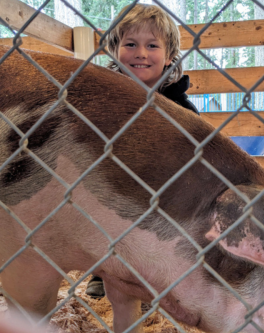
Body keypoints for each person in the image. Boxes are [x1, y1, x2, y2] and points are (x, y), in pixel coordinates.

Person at [85, 3, 199, 298]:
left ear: (170, 56)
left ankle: (157, 278)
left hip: (163, 191)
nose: (141, 53)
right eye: (131, 44)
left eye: (152, 45)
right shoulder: (102, 98)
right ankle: (102, 271)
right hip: (111, 186)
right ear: (114, 50)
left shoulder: (181, 108)